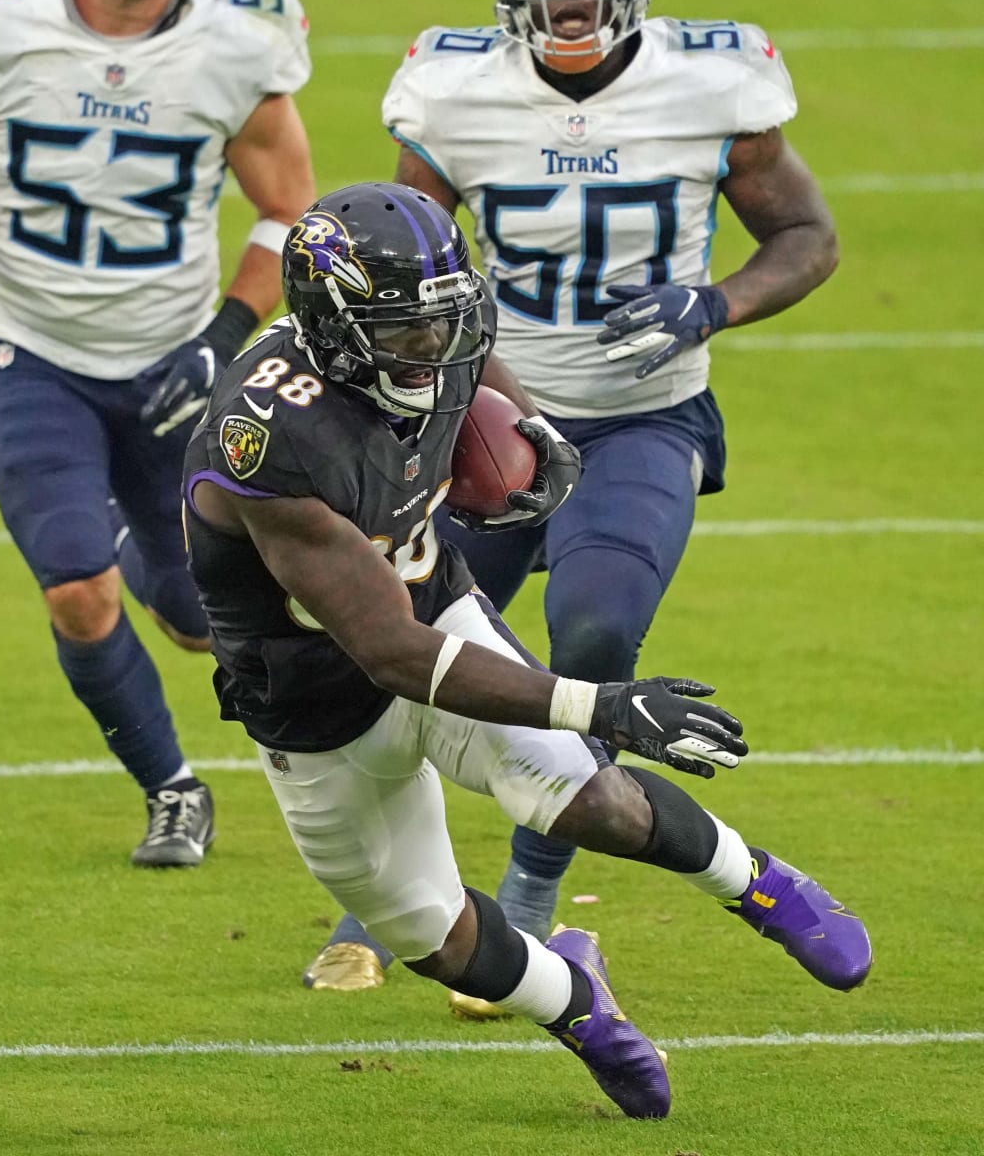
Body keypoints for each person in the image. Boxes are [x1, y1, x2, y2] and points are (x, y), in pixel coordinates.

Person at [181, 182, 868, 1118]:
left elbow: (473, 362)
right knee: (429, 931)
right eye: (410, 333)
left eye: (447, 322)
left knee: (589, 797)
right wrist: (601, 703)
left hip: (437, 607)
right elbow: (389, 651)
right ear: (335, 327)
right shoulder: (267, 436)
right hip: (317, 703)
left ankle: (760, 885)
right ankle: (576, 1002)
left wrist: (529, 430)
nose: (438, 351)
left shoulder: (432, 337)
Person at [307, 0, 841, 1006]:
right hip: (478, 421)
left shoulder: (716, 80)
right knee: (390, 658)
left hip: (646, 418)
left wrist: (715, 302)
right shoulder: (450, 88)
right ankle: (375, 906)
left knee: (595, 636)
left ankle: (530, 901)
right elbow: (408, 257)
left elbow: (808, 236)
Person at [0, 0, 316, 866]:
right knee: (78, 590)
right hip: (28, 348)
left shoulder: (241, 38)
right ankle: (172, 790)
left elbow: (288, 211)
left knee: (200, 624)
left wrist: (224, 334)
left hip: (172, 360)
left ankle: (119, 525)